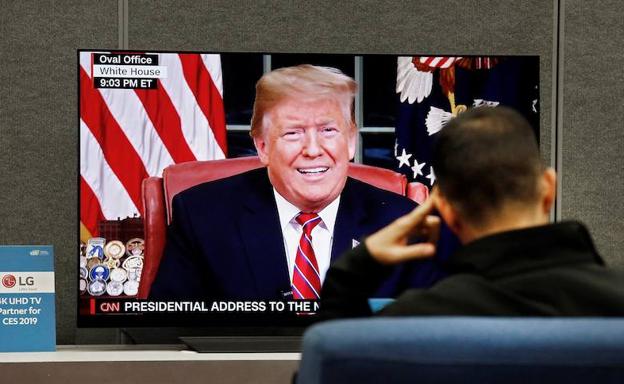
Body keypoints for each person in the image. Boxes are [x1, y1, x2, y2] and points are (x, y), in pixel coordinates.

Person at [149, 65, 445, 300]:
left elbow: (430, 333)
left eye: (328, 130)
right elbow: (168, 333)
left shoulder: (403, 221)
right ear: (263, 147)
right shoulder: (203, 216)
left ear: (351, 140)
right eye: (293, 133)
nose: (313, 149)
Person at [320, 106, 624, 318]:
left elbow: (330, 361)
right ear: (549, 187)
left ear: (446, 212)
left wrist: (357, 268)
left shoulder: (410, 323)